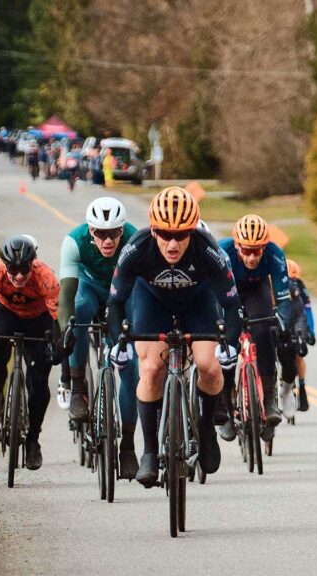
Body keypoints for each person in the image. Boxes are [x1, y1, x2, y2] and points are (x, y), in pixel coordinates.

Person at [105, 187, 242, 487]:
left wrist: (230, 345)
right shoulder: (137, 247)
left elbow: (232, 304)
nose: (172, 243)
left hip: (198, 302)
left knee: (209, 365)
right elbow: (114, 303)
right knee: (152, 368)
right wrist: (119, 342)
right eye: (165, 234)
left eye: (181, 235)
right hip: (152, 302)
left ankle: (206, 434)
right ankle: (150, 453)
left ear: (192, 231)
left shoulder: (208, 250)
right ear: (153, 229)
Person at [58, 197, 141, 478]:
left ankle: (128, 446)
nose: (107, 240)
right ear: (90, 231)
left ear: (122, 230)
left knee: (131, 368)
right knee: (78, 314)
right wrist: (66, 329)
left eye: (114, 233)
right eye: (100, 233)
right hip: (89, 289)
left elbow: (143, 292)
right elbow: (67, 295)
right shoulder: (74, 242)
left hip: (122, 293)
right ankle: (78, 387)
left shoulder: (135, 240)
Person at [0, 236, 61, 470]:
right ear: (5, 265)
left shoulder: (46, 277)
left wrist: (56, 345)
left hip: (38, 318)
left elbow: (55, 320)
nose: (20, 276)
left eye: (24, 269)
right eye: (14, 270)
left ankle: (33, 439)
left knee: (39, 381)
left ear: (32, 263)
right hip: (7, 313)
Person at [214, 214, 295, 442]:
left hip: (257, 290)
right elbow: (213, 292)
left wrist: (281, 319)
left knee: (264, 332)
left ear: (265, 246)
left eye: (257, 251)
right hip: (229, 292)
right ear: (237, 245)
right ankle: (226, 409)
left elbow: (283, 296)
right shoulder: (222, 251)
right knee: (227, 346)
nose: (251, 257)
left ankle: (268, 401)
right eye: (246, 250)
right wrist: (219, 321)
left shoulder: (275, 254)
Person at [285, 259, 315, 411]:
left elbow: (307, 310)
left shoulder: (300, 287)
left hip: (297, 319)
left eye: (294, 280)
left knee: (299, 355)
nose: (292, 283)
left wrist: (310, 331)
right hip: (282, 321)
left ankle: (302, 387)